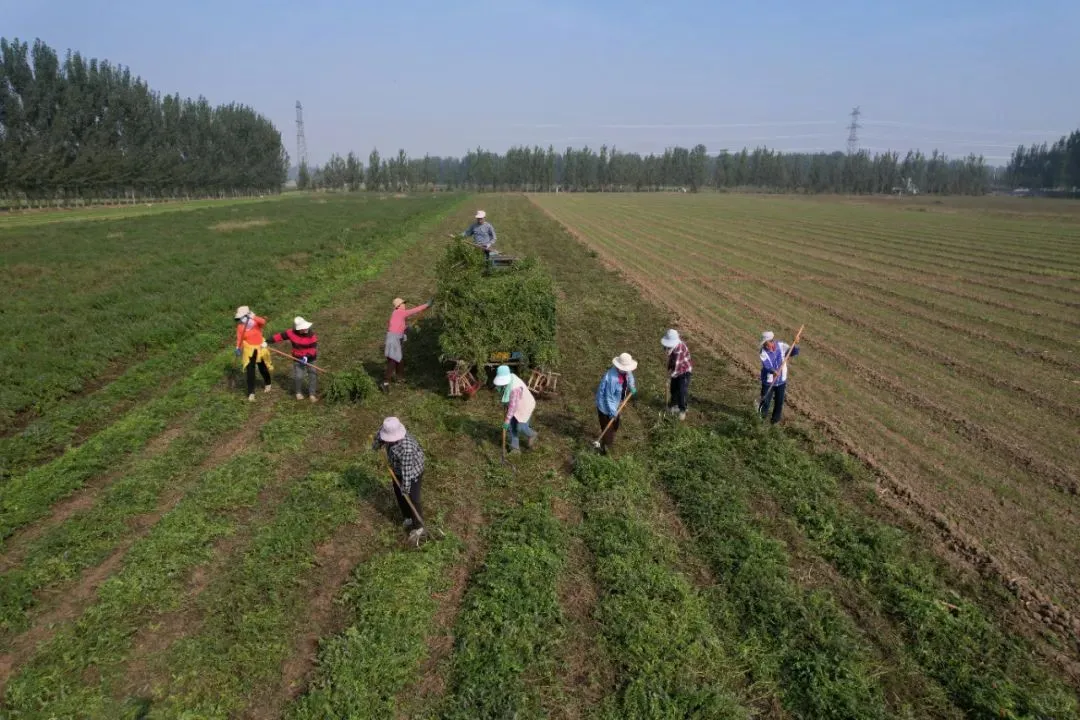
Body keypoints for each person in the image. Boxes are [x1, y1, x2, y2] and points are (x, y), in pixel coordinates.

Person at [372, 417, 426, 543]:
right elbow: (377, 440)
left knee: (413, 498)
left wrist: (405, 488)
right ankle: (407, 517)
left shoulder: (407, 448)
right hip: (396, 468)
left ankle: (419, 527)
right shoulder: (385, 428)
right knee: (398, 493)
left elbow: (407, 472)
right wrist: (376, 446)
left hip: (413, 472)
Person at [384, 297, 432, 392]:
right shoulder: (399, 312)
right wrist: (426, 305)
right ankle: (385, 382)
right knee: (393, 360)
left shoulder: (396, 314)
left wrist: (405, 328)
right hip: (394, 339)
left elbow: (396, 325)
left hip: (394, 338)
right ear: (399, 305)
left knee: (399, 360)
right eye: (403, 303)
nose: (404, 304)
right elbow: (414, 311)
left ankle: (400, 379)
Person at [267, 316, 319, 402]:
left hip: (311, 358)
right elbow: (278, 337)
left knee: (312, 375)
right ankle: (298, 393)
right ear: (298, 329)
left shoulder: (311, 335)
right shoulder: (291, 333)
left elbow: (313, 348)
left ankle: (312, 394)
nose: (305, 329)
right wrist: (266, 341)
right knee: (299, 376)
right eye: (303, 328)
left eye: (306, 327)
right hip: (298, 358)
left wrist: (307, 357)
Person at [594, 352, 637, 455]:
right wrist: (612, 411)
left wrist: (632, 386)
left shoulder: (626, 371)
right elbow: (608, 397)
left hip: (616, 402)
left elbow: (630, 377)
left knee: (615, 425)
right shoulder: (612, 378)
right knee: (608, 428)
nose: (628, 370)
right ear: (619, 367)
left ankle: (608, 436)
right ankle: (605, 451)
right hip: (605, 406)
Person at [493, 364, 538, 453]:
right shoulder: (509, 379)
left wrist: (506, 420)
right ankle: (515, 448)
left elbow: (513, 406)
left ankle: (532, 434)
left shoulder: (515, 388)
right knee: (511, 426)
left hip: (525, 406)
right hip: (514, 405)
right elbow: (507, 397)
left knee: (521, 426)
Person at [759, 330, 800, 424]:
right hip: (768, 381)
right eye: (764, 344)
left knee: (779, 402)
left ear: (771, 341)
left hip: (781, 381)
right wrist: (773, 371)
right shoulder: (763, 351)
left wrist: (795, 344)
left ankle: (774, 421)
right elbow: (766, 365)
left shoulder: (781, 345)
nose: (765, 345)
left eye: (766, 343)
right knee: (765, 401)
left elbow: (793, 352)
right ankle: (760, 420)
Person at [234, 306, 273, 401]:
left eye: (243, 317)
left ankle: (268, 383)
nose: (241, 320)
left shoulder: (256, 323)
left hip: (260, 349)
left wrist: (253, 316)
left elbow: (263, 322)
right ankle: (251, 393)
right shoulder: (240, 327)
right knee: (250, 371)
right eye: (240, 318)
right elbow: (240, 338)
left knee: (262, 368)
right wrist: (238, 348)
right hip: (249, 350)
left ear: (247, 315)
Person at [661, 329, 692, 420]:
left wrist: (669, 378)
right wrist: (669, 369)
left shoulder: (680, 349)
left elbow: (678, 367)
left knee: (681, 390)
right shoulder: (670, 346)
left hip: (685, 371)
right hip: (676, 369)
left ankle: (683, 409)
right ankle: (673, 405)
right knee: (673, 388)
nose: (667, 349)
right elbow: (672, 361)